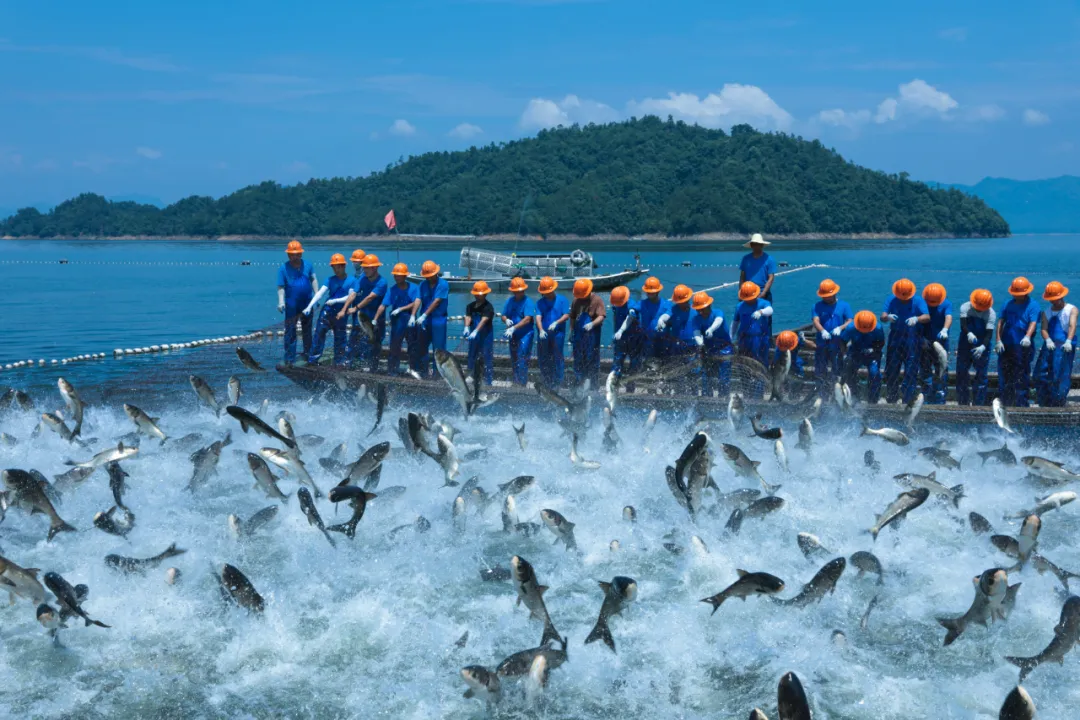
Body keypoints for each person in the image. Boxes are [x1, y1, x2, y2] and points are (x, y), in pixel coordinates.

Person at [881, 278, 929, 405]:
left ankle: (908, 401)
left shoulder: (918, 301)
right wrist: (887, 317)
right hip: (895, 338)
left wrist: (917, 319)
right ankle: (892, 399)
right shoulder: (891, 299)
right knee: (892, 369)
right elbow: (882, 316)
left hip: (912, 339)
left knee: (911, 370)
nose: (903, 299)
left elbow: (927, 316)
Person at [996, 276, 1040, 407]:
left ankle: (1022, 405)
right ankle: (1006, 403)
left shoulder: (1033, 305)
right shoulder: (1007, 304)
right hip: (1007, 344)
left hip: (1022, 346)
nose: (1018, 296)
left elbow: (1033, 322)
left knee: (1021, 375)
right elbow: (1000, 322)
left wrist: (1027, 336)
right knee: (1005, 375)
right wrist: (998, 339)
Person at [341, 253, 387, 372]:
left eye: (367, 268)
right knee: (355, 340)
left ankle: (372, 368)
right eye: (364, 267)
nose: (364, 270)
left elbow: (370, 297)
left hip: (376, 318)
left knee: (374, 343)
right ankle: (350, 364)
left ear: (375, 268)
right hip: (363, 317)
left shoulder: (382, 282)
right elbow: (354, 294)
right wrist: (344, 308)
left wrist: (355, 308)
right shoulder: (362, 279)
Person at [1034, 281, 1076, 407]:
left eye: (1055, 299)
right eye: (1051, 299)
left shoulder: (1071, 309)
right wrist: (1047, 339)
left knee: (1060, 375)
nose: (1053, 301)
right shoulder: (1046, 312)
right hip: (1050, 346)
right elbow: (1043, 329)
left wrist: (1068, 340)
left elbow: (1072, 326)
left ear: (1061, 296)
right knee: (1039, 373)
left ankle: (1058, 402)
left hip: (1064, 347)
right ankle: (1043, 401)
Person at [305, 253, 353, 366]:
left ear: (343, 266)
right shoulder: (330, 280)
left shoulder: (352, 280)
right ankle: (313, 360)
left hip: (341, 313)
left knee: (340, 337)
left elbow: (350, 297)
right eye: (334, 267)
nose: (336, 270)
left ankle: (339, 362)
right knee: (319, 334)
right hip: (328, 311)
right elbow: (320, 293)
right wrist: (309, 306)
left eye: (338, 267)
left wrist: (336, 300)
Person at [276, 240, 318, 366]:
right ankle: (289, 356)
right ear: (288, 255)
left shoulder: (308, 265)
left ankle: (308, 353)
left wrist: (316, 294)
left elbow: (314, 279)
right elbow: (280, 287)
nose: (294, 257)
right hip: (291, 304)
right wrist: (281, 302)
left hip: (307, 303)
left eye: (297, 254)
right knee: (290, 330)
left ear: (301, 254)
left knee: (307, 329)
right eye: (292, 254)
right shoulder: (283, 268)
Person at [375, 263, 420, 376]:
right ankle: (392, 370)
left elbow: (416, 302)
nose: (396, 277)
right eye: (395, 275)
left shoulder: (414, 288)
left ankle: (413, 369)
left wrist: (402, 309)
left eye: (399, 275)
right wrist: (375, 319)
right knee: (394, 346)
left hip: (410, 319)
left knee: (413, 346)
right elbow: (383, 305)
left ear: (405, 276)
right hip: (397, 321)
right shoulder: (392, 290)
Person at [811, 279, 852, 398]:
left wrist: (841, 327)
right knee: (820, 370)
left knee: (837, 370)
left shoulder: (844, 305)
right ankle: (821, 395)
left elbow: (850, 321)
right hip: (822, 344)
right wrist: (822, 330)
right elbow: (815, 320)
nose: (826, 298)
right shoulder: (817, 306)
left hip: (837, 344)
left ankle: (837, 396)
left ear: (834, 293)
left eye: (828, 296)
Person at [956, 289, 996, 406]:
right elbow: (963, 325)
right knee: (962, 372)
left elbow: (989, 333)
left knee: (981, 375)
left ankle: (978, 403)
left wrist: (983, 346)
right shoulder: (965, 307)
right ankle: (963, 402)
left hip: (983, 344)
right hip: (965, 343)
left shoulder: (991, 314)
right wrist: (968, 333)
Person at [690, 291, 733, 396]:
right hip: (709, 350)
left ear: (709, 305)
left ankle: (723, 399)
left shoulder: (718, 312)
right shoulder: (696, 319)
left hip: (724, 349)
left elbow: (719, 321)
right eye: (698, 310)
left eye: (703, 309)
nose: (701, 312)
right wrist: (700, 342)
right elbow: (696, 332)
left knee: (724, 378)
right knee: (706, 378)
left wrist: (711, 329)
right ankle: (706, 400)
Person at [841, 311, 885, 403]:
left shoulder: (878, 328)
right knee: (849, 372)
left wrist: (874, 349)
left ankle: (873, 400)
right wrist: (844, 355)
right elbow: (842, 342)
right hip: (855, 352)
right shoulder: (850, 328)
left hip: (872, 354)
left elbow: (881, 342)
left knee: (874, 373)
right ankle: (854, 397)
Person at [920, 283, 953, 404]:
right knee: (925, 369)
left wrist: (945, 329)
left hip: (941, 341)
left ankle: (940, 397)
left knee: (942, 368)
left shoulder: (946, 304)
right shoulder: (921, 303)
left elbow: (948, 317)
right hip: (925, 341)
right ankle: (927, 397)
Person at [417, 260, 450, 378]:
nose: (428, 278)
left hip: (438, 320)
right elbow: (418, 299)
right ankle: (423, 372)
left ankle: (438, 374)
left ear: (436, 273)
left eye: (430, 276)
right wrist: (413, 315)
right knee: (422, 347)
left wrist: (425, 314)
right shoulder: (422, 285)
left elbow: (437, 301)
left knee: (439, 349)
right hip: (424, 321)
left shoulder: (443, 284)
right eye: (426, 276)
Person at [534, 277, 570, 387]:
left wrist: (556, 322)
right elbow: (538, 317)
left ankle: (558, 382)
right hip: (544, 335)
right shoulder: (540, 303)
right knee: (544, 357)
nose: (547, 294)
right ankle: (546, 381)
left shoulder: (563, 300)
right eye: (544, 293)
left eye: (548, 292)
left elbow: (566, 315)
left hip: (557, 334)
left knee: (557, 357)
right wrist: (540, 330)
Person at [570, 278, 605, 388]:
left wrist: (592, 324)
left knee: (592, 359)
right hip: (579, 336)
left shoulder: (597, 300)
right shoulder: (576, 300)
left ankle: (593, 385)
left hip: (592, 335)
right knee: (578, 359)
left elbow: (601, 316)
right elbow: (572, 317)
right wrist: (571, 331)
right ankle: (578, 383)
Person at [501, 277, 536, 386]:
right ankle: (516, 381)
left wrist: (514, 328)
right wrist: (506, 320)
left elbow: (528, 319)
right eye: (516, 291)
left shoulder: (528, 302)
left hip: (525, 334)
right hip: (513, 335)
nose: (518, 293)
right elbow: (503, 315)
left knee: (523, 357)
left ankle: (522, 382)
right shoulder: (509, 301)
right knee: (514, 357)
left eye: (519, 291)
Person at [740, 233, 777, 333]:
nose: (756, 246)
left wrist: (763, 293)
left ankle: (768, 340)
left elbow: (771, 278)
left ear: (762, 245)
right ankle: (746, 339)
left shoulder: (769, 259)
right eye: (754, 244)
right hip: (748, 293)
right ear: (751, 245)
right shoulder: (746, 259)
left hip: (763, 293)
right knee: (746, 318)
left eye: (758, 244)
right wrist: (741, 292)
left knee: (766, 319)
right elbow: (742, 277)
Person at [732, 281, 773, 366]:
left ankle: (762, 378)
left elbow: (770, 310)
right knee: (744, 361)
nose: (749, 301)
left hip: (760, 338)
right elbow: (735, 323)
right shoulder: (739, 306)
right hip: (744, 338)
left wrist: (761, 312)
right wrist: (730, 336)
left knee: (761, 361)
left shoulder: (763, 303)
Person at [464, 281, 495, 385]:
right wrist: (466, 327)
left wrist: (476, 331)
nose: (478, 296)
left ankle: (488, 380)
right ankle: (471, 377)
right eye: (476, 294)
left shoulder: (488, 307)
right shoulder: (470, 306)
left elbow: (484, 320)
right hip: (474, 337)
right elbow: (468, 316)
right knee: (472, 355)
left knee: (486, 357)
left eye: (480, 295)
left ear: (485, 294)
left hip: (485, 336)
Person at [656, 284, 696, 363]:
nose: (681, 304)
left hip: (693, 345)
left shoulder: (696, 310)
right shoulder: (673, 309)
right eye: (679, 302)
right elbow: (666, 315)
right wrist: (661, 319)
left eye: (684, 302)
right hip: (677, 346)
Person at [637, 277, 670, 359]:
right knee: (648, 362)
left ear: (658, 291)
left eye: (652, 292)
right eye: (648, 292)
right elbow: (633, 307)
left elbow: (669, 314)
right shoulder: (642, 303)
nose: (650, 294)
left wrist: (662, 320)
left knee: (663, 362)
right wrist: (631, 310)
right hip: (647, 340)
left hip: (662, 341)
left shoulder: (666, 304)